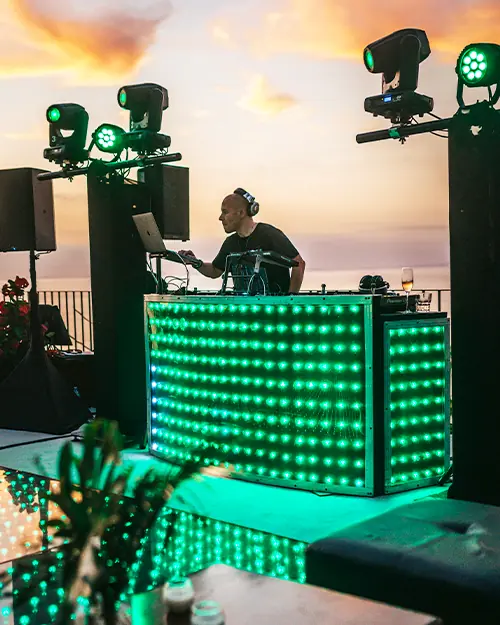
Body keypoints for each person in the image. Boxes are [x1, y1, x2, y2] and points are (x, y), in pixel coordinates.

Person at [180, 189, 306, 294]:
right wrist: (195, 262)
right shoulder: (230, 243)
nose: (220, 218)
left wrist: (289, 301)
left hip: (273, 310)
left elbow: (299, 264)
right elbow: (215, 270)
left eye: (225, 212)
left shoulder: (269, 234)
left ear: (241, 213)